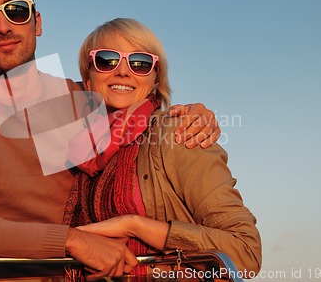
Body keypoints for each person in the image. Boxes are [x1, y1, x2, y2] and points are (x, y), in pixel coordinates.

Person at [0, 0, 222, 282]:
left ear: (37, 21)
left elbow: (149, 118)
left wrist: (196, 114)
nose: (3, 27)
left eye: (16, 10)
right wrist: (70, 242)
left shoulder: (88, 100)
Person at [63, 18, 262, 279]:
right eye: (107, 60)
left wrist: (134, 226)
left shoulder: (179, 134)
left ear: (156, 79)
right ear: (88, 79)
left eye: (140, 63)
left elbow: (246, 252)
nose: (123, 71)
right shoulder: (76, 149)